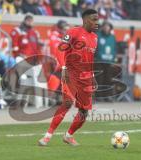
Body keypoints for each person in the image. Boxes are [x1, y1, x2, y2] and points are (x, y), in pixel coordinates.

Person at [38, 9, 99, 146]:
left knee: (84, 111)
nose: (97, 22)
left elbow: (90, 59)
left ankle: (68, 135)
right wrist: (64, 67)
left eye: (97, 19)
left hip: (86, 77)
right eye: (94, 19)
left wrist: (93, 75)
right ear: (85, 20)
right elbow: (60, 50)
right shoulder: (73, 32)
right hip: (71, 74)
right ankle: (47, 136)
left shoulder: (95, 38)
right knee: (67, 103)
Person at [95, 21, 116, 102]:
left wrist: (113, 58)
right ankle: (98, 96)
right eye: (105, 26)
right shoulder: (98, 36)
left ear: (110, 28)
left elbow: (114, 49)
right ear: (102, 27)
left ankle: (107, 96)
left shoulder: (112, 37)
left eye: (108, 27)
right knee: (99, 79)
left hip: (109, 61)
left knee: (108, 79)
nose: (106, 28)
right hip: (99, 61)